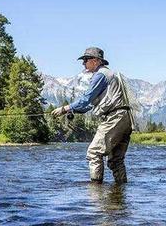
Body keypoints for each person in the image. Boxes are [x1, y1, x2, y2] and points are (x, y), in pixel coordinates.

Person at [51, 47, 132, 184]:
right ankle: (120, 195)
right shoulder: (110, 75)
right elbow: (89, 105)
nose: (83, 63)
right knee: (116, 160)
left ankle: (96, 191)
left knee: (94, 152)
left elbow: (86, 98)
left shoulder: (100, 75)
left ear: (96, 61)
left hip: (114, 118)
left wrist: (65, 108)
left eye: (85, 60)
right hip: (125, 119)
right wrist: (73, 110)